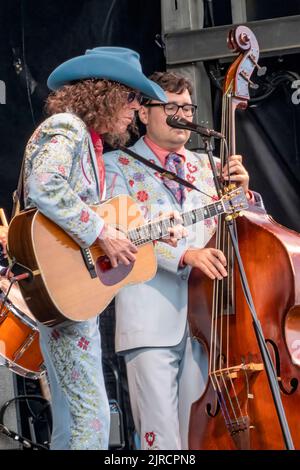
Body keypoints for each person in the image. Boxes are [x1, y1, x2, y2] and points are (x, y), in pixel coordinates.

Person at [21, 50, 185, 450]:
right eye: (130, 97)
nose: (136, 107)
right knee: (91, 418)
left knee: (72, 419)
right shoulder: (68, 128)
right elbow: (45, 184)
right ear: (106, 93)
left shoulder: (89, 143)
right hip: (63, 294)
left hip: (70, 295)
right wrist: (102, 233)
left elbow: (91, 220)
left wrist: (140, 234)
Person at [103, 71, 262, 450]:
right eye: (171, 107)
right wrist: (184, 255)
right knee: (161, 441)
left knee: (200, 435)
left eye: (187, 108)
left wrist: (245, 195)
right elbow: (119, 236)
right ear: (143, 112)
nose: (182, 116)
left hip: (208, 322)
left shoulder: (210, 164)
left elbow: (246, 230)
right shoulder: (115, 166)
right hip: (150, 317)